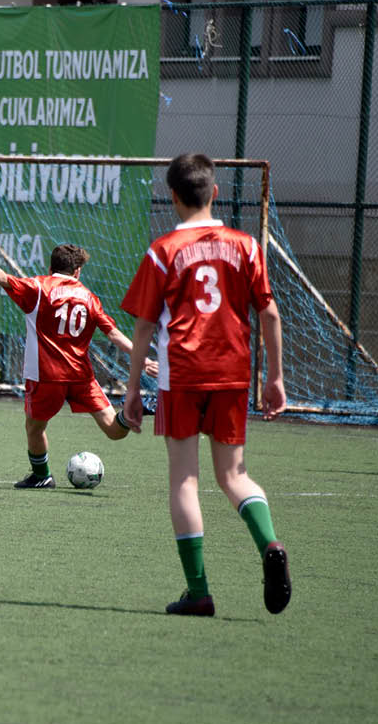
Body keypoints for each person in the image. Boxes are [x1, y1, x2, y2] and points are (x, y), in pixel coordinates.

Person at [121, 152, 289, 618]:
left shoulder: (163, 251)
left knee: (185, 480)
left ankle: (198, 592)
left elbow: (141, 327)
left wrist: (133, 390)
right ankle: (270, 544)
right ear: (215, 192)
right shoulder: (246, 246)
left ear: (172, 196)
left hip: (182, 374)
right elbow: (270, 313)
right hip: (233, 373)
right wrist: (274, 377)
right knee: (233, 476)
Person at [0, 237, 156, 488]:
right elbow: (113, 334)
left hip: (46, 375)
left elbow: (0, 277)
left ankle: (42, 476)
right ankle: (129, 414)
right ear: (78, 271)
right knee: (112, 429)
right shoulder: (89, 298)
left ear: (51, 267)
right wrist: (143, 359)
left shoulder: (39, 287)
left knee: (34, 427)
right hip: (82, 376)